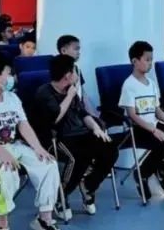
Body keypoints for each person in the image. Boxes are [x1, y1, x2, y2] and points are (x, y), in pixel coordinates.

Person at [0, 51, 60, 230]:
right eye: (9, 74)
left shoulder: (12, 98)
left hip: (12, 145)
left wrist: (38, 148)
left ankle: (44, 219)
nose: (12, 78)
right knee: (5, 170)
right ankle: (1, 225)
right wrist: (3, 154)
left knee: (48, 164)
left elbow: (23, 125)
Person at [34, 54, 119, 214]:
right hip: (57, 138)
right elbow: (54, 118)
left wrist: (96, 128)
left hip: (81, 134)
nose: (77, 75)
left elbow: (83, 113)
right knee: (78, 158)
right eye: (74, 71)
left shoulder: (70, 90)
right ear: (67, 75)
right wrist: (69, 96)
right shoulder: (44, 93)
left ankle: (88, 185)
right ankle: (61, 196)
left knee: (110, 149)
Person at [119, 40, 164, 199]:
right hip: (139, 128)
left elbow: (157, 111)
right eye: (147, 59)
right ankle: (142, 174)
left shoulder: (151, 83)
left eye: (151, 59)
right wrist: (154, 130)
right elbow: (132, 115)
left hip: (154, 125)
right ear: (135, 61)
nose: (150, 63)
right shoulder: (129, 85)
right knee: (163, 142)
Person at [56, 35, 87, 101]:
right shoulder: (57, 71)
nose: (78, 52)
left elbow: (82, 94)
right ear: (63, 51)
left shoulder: (76, 68)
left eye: (79, 49)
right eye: (76, 49)